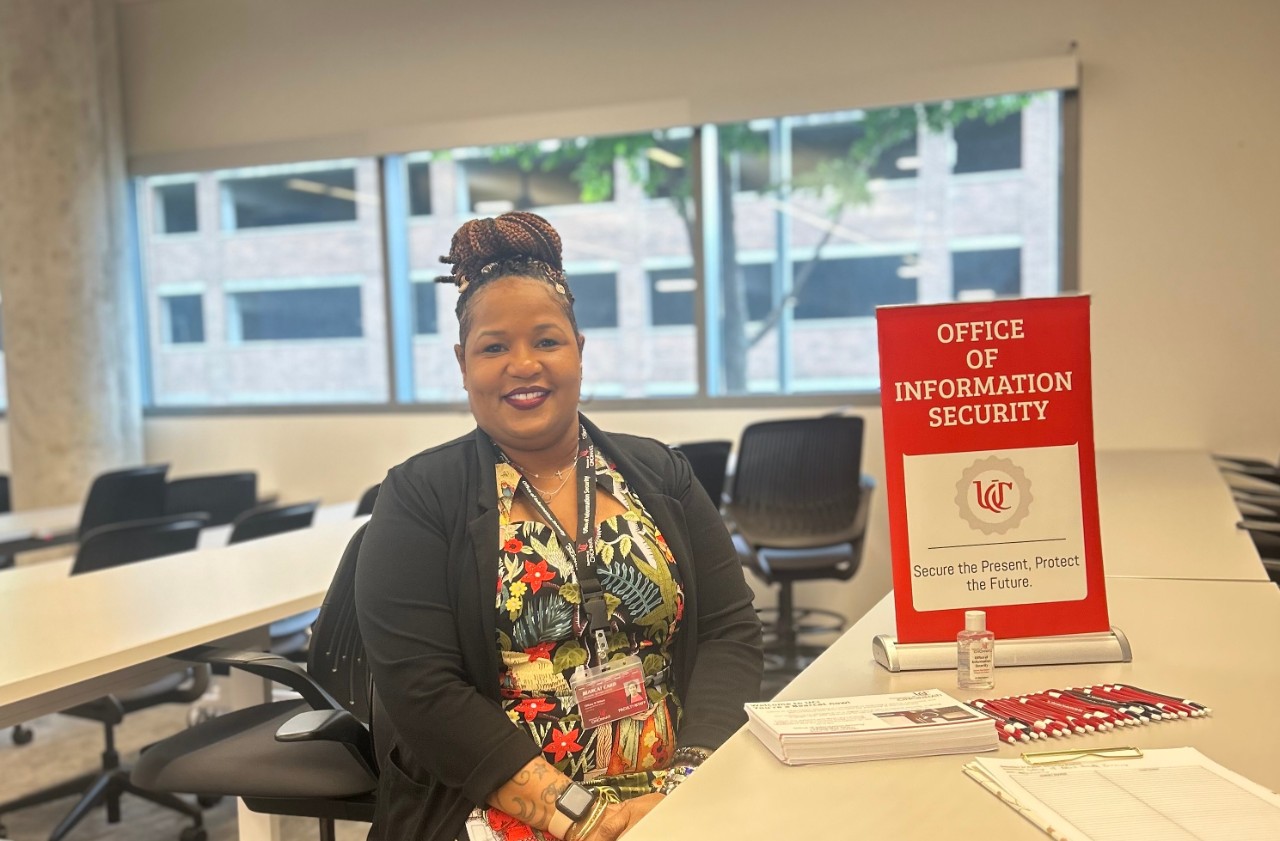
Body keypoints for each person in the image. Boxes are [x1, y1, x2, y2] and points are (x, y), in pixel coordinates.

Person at [355, 211, 763, 841]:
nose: (524, 364)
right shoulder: (418, 496)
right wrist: (577, 815)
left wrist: (688, 787)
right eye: (495, 347)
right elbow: (421, 689)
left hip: (677, 798)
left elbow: (729, 633)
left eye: (546, 341)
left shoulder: (660, 473)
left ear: (580, 351)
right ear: (463, 364)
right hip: (498, 808)